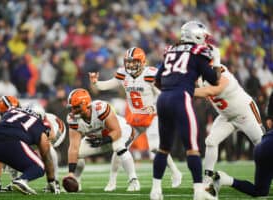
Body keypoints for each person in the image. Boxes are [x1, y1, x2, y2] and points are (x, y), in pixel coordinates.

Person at [89, 47, 182, 191]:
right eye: (129, 62)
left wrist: (153, 107)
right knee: (119, 147)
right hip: (135, 118)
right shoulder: (123, 73)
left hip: (152, 117)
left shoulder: (150, 74)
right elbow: (109, 84)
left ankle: (176, 173)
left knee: (156, 148)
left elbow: (163, 94)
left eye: (134, 62)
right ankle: (112, 181)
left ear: (142, 62)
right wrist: (96, 83)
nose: (131, 65)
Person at [149, 21, 221, 200]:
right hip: (181, 98)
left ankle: (156, 190)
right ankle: (199, 191)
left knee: (163, 148)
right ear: (196, 35)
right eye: (203, 36)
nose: (204, 41)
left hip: (163, 99)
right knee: (193, 148)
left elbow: (157, 80)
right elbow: (215, 80)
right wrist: (217, 60)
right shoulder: (198, 53)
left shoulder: (170, 51)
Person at [194, 64, 264, 193]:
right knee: (211, 141)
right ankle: (207, 180)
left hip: (245, 113)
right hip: (226, 116)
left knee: (263, 146)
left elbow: (212, 91)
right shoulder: (198, 74)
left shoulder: (222, 73)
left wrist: (185, 89)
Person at [0, 105, 60, 195]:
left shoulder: (11, 111)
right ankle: (22, 180)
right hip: (11, 143)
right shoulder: (38, 122)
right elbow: (46, 154)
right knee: (40, 166)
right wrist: (51, 180)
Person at [64, 88, 140, 191]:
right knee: (77, 153)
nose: (73, 111)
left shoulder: (100, 109)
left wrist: (103, 141)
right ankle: (76, 180)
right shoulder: (72, 119)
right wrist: (70, 173)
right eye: (72, 108)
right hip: (98, 137)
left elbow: (116, 131)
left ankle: (133, 180)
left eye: (76, 107)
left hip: (121, 131)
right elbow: (73, 147)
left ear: (86, 104)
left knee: (118, 147)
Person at [213, 128, 273, 197]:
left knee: (260, 191)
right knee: (261, 190)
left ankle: (226, 179)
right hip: (268, 147)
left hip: (262, 145)